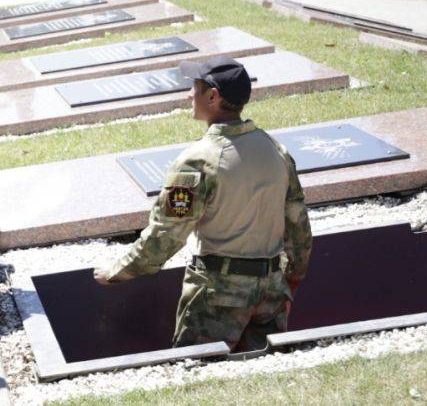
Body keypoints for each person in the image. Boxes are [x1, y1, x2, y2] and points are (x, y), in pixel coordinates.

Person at [94, 57, 312, 352]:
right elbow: (298, 224)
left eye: (194, 88)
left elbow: (166, 236)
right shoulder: (276, 150)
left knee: (200, 376)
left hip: (218, 297)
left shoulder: (198, 161)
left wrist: (117, 270)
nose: (189, 95)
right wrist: (294, 276)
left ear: (213, 96)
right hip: (272, 292)